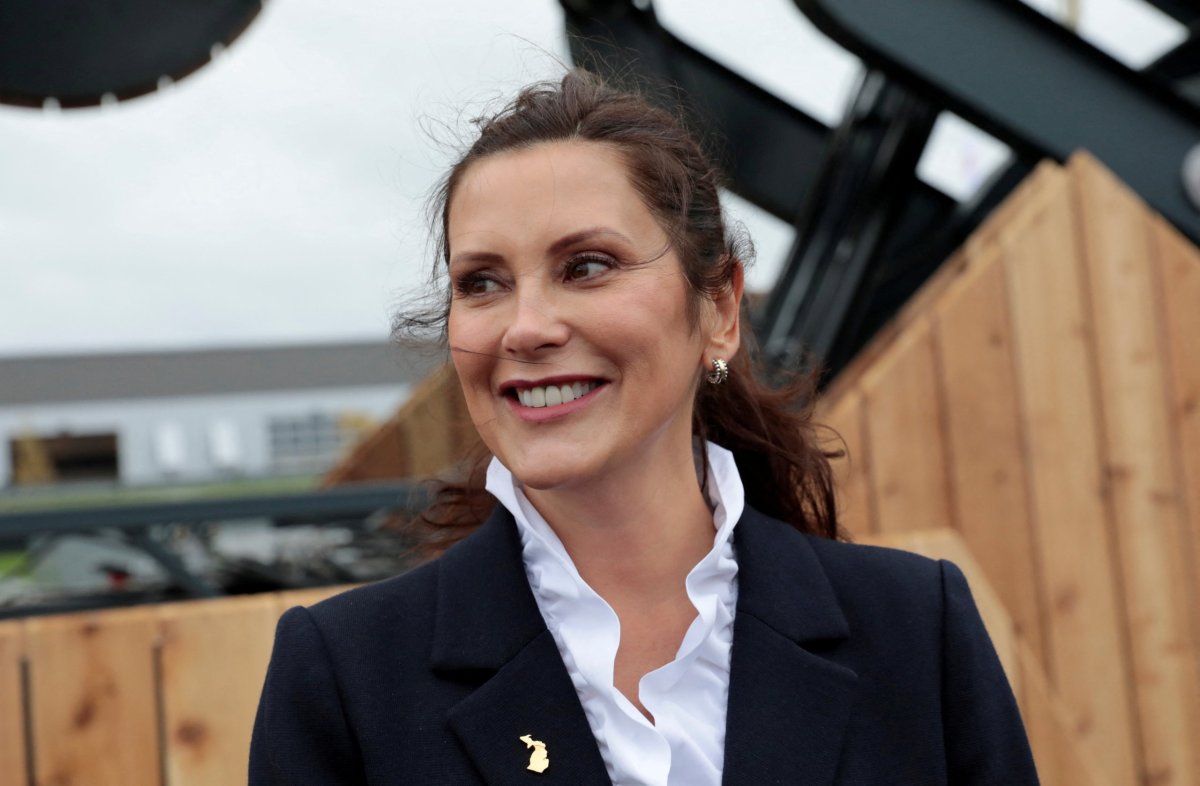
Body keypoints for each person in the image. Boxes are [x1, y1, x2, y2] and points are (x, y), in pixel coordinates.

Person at [250, 69, 1039, 785]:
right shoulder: (345, 677)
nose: (525, 328)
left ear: (720, 308)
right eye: (482, 282)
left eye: (586, 266)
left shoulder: (914, 631)